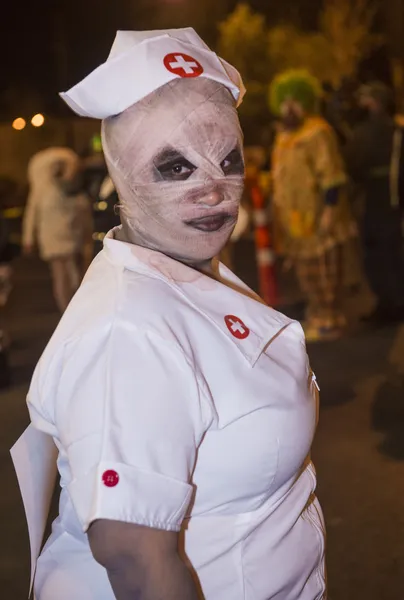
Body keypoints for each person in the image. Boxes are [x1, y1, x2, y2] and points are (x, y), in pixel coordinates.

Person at [23, 29, 325, 599]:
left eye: (227, 158)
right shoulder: (126, 333)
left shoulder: (189, 269)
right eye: (174, 166)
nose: (214, 189)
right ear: (123, 172)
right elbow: (137, 561)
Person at [270, 69, 356, 341]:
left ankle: (331, 319)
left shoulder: (318, 132)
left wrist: (330, 211)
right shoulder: (283, 136)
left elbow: (332, 175)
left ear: (306, 102)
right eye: (285, 102)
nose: (289, 108)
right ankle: (318, 315)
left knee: (326, 273)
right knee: (306, 275)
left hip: (319, 217)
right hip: (294, 222)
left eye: (295, 101)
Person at [345, 81, 404, 323]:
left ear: (375, 103)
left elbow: (352, 164)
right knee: (384, 253)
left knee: (384, 253)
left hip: (384, 198)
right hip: (381, 198)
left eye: (365, 99)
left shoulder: (383, 132)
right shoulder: (392, 130)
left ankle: (392, 303)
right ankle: (388, 302)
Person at [22, 147, 93, 312]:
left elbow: (32, 213)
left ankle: (66, 312)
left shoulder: (42, 192)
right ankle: (74, 308)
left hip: (53, 239)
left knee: (61, 276)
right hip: (72, 238)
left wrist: (28, 239)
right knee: (75, 273)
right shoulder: (74, 192)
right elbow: (85, 217)